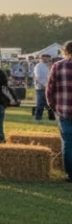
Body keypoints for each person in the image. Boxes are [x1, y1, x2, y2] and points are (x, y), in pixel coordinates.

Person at [43, 40, 72, 182]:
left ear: (65, 51)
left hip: (64, 110)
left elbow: (49, 90)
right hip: (64, 109)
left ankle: (70, 174)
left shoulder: (57, 66)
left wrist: (53, 106)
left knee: (67, 142)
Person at [33, 53, 55, 122]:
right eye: (44, 58)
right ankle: (38, 117)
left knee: (50, 104)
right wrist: (44, 86)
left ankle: (51, 118)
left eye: (48, 59)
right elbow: (38, 77)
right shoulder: (38, 66)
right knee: (40, 104)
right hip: (41, 88)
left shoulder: (50, 66)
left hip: (49, 87)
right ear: (41, 59)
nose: (46, 60)